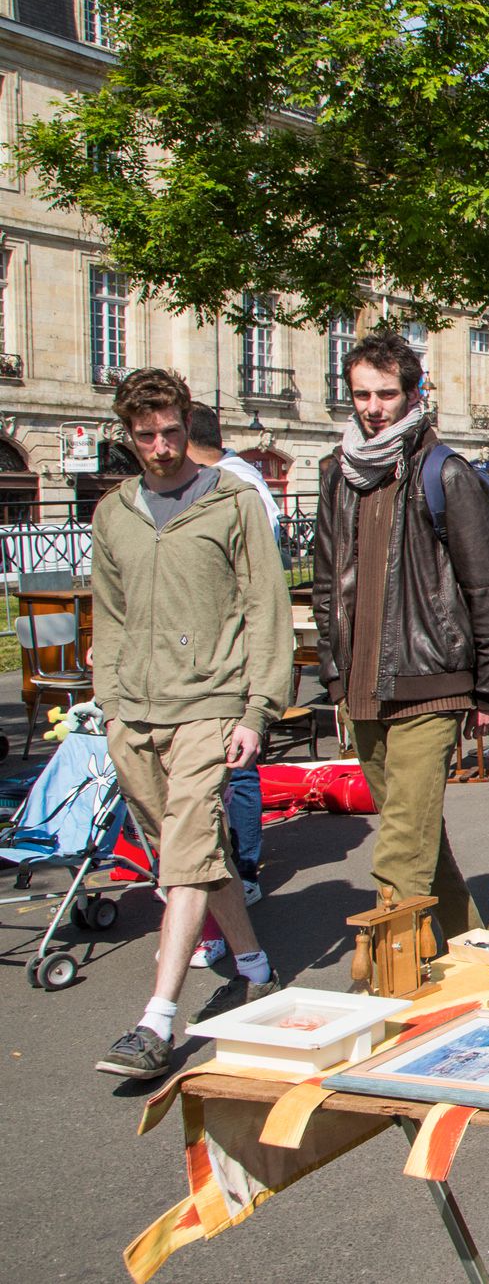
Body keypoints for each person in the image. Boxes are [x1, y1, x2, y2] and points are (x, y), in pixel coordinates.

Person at [92, 369, 292, 1078]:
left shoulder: (233, 502)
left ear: (188, 425)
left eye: (172, 431)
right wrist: (108, 699)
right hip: (135, 711)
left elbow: (268, 609)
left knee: (183, 855)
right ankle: (255, 963)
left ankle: (156, 1020)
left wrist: (257, 708)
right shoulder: (114, 511)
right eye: (145, 435)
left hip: (210, 702)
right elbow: (109, 615)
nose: (161, 446)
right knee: (195, 853)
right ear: (129, 436)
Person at [314, 332, 489, 942]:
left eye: (386, 394)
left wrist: (488, 690)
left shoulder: (444, 472)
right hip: (364, 682)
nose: (373, 407)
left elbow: (488, 587)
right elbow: (327, 582)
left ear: (412, 393)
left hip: (434, 679)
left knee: (400, 841)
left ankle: (390, 968)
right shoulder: (336, 473)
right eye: (362, 395)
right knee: (418, 829)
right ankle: (461, 945)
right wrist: (333, 672)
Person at [180, 408, 276, 971]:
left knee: (234, 770)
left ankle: (242, 876)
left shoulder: (236, 489)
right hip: (205, 654)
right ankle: (233, 881)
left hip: (231, 652)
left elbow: (255, 582)